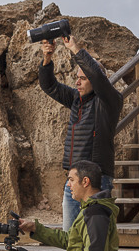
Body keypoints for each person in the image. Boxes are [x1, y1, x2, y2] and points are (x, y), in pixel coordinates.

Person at [40, 34, 123, 230]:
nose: (77, 82)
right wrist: (47, 58)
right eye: (76, 78)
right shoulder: (76, 99)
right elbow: (49, 86)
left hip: (97, 181)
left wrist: (76, 50)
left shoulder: (110, 101)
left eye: (83, 78)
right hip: (73, 181)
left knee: (95, 240)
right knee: (70, 238)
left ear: (96, 80)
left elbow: (97, 77)